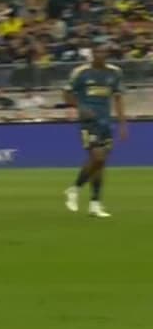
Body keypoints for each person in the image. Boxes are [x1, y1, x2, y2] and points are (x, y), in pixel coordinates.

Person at [64, 46, 128, 218]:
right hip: (89, 122)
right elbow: (66, 93)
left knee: (100, 163)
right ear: (92, 54)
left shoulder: (115, 72)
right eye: (98, 52)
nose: (101, 55)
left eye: (104, 52)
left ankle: (95, 203)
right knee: (98, 157)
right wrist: (80, 108)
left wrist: (123, 124)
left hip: (106, 122)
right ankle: (75, 189)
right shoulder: (81, 72)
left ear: (107, 54)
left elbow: (118, 98)